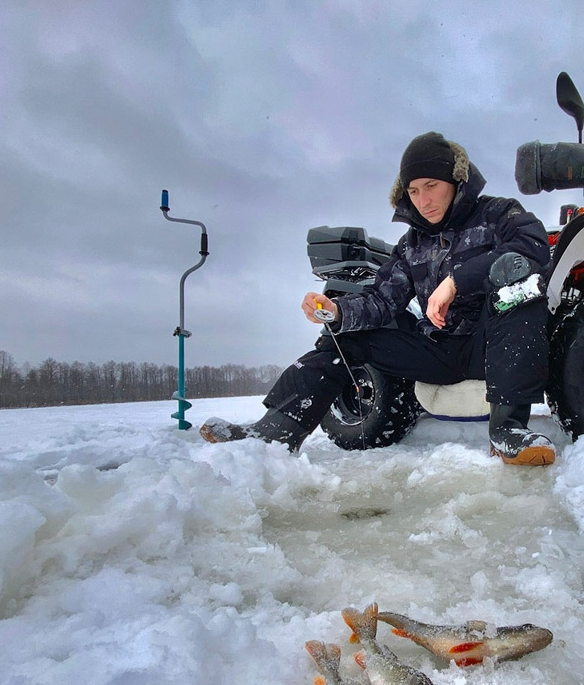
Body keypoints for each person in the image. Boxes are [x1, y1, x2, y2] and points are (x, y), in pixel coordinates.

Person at [200, 131, 556, 465]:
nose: (423, 200)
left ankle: (509, 430)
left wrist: (455, 281)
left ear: (457, 181)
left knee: (519, 292)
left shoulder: (497, 214)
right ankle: (276, 432)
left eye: (431, 186)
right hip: (439, 350)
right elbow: (381, 301)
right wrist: (336, 310)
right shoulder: (410, 246)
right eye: (414, 191)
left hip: (494, 343)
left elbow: (532, 248)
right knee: (345, 336)